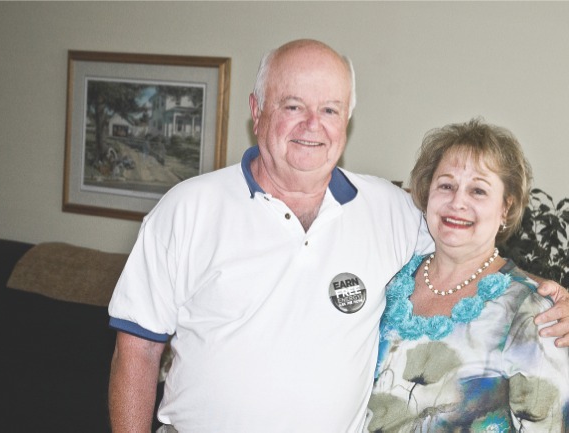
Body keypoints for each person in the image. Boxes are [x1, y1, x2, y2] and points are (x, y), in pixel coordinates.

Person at [108, 40, 569, 433]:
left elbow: (466, 247)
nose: (313, 125)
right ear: (257, 110)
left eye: (329, 109)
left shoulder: (387, 209)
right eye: (293, 106)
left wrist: (546, 294)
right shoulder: (187, 210)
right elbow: (138, 350)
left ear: (346, 118)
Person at [367, 118, 569, 432]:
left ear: (505, 208)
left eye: (478, 190)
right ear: (427, 192)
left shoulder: (532, 311)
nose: (457, 202)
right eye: (446, 185)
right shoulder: (385, 278)